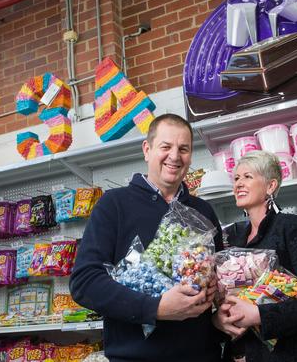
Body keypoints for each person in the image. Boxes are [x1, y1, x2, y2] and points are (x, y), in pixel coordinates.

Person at [69, 114, 224, 362]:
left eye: (183, 149)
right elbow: (85, 283)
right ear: (147, 149)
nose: (175, 156)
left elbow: (216, 279)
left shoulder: (203, 211)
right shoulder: (113, 205)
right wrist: (155, 309)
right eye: (166, 147)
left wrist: (217, 292)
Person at [212, 150, 297, 362]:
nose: (238, 184)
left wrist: (259, 315)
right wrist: (219, 320)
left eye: (248, 177)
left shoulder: (293, 227)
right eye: (236, 178)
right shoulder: (232, 240)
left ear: (271, 186)